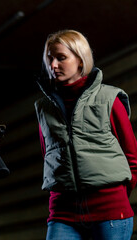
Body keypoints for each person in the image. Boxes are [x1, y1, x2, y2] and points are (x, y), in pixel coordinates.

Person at [34, 29, 137, 239]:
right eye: (49, 58)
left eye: (61, 58)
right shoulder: (44, 108)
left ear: (80, 60)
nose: (53, 65)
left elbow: (132, 156)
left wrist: (115, 197)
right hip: (62, 212)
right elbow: (48, 156)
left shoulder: (109, 98)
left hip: (109, 210)